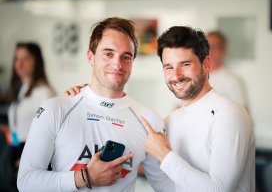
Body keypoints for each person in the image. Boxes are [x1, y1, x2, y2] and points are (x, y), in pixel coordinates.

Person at [17, 17, 173, 192]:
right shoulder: (55, 109)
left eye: (126, 57)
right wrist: (85, 177)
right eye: (108, 53)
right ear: (90, 57)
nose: (117, 63)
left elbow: (167, 187)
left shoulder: (149, 120)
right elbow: (26, 181)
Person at [140, 26, 255, 191]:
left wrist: (164, 155)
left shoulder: (229, 115)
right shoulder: (172, 119)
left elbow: (218, 189)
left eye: (185, 64)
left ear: (206, 64)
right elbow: (171, 186)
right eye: (169, 67)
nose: (176, 75)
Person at [7, 42, 55, 190]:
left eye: (25, 58)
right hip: (17, 150)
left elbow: (49, 133)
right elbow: (17, 127)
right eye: (17, 58)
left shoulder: (43, 92)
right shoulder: (22, 90)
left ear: (36, 61)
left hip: (30, 153)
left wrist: (27, 157)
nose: (19, 63)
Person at [206, 31, 248, 108]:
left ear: (223, 50)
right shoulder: (195, 76)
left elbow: (242, 114)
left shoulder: (232, 80)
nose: (209, 51)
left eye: (214, 46)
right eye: (207, 46)